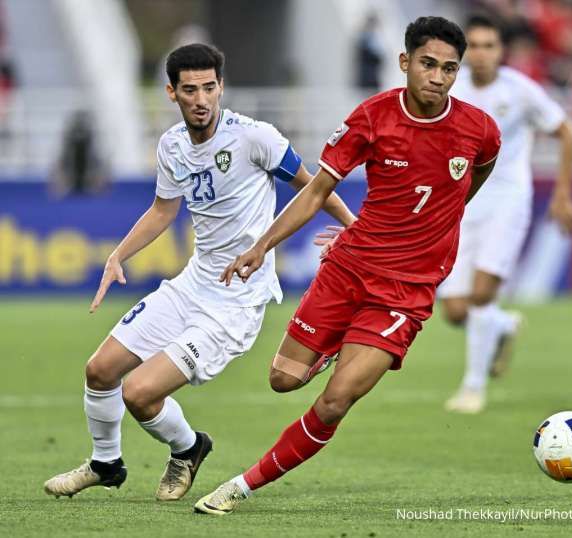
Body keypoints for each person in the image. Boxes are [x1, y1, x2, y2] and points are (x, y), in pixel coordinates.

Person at [193, 16, 501, 515]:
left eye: (449, 68)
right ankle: (337, 345)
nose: (438, 77)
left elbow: (474, 177)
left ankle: (240, 486)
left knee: (335, 402)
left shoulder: (479, 130)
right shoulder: (372, 118)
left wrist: (437, 228)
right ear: (404, 63)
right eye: (428, 64)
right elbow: (316, 192)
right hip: (349, 268)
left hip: (405, 292)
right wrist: (262, 246)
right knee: (283, 380)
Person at [43, 43, 355, 501]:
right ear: (172, 93)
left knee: (140, 393)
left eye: (210, 87)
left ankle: (187, 448)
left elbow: (314, 188)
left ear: (221, 87)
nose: (202, 98)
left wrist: (355, 229)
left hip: (235, 303)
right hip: (192, 284)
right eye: (190, 89)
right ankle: (106, 462)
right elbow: (161, 211)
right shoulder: (171, 145)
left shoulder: (255, 137)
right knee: (100, 370)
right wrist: (118, 255)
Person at [437, 15, 572, 414]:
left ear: (501, 51)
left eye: (489, 46)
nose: (481, 54)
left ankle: (472, 387)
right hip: (462, 205)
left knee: (482, 294)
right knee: (455, 311)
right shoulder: (452, 89)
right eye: (475, 47)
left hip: (508, 202)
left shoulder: (520, 91)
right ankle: (502, 325)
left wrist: (564, 195)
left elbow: (567, 130)